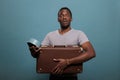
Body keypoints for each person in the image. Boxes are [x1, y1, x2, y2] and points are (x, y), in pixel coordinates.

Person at [29, 7, 96, 80]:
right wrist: (33, 52)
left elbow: (91, 53)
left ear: (71, 18)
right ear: (58, 19)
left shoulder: (79, 34)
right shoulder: (50, 35)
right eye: (61, 15)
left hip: (71, 77)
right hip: (53, 77)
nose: (64, 17)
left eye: (67, 15)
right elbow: (40, 54)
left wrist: (67, 62)